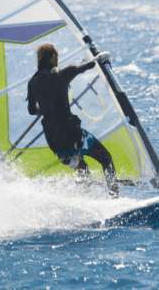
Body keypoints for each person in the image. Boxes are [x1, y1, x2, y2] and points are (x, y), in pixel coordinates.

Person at [27, 43, 119, 197]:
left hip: (54, 141)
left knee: (82, 167)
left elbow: (31, 110)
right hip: (70, 134)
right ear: (54, 57)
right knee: (106, 158)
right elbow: (88, 65)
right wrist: (103, 57)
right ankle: (115, 198)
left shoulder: (33, 82)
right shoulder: (61, 72)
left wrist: (44, 110)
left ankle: (86, 202)